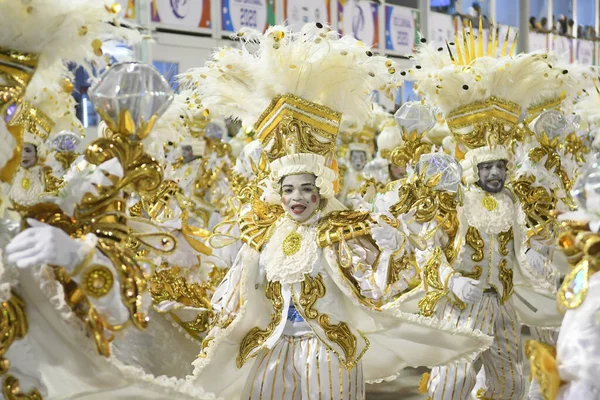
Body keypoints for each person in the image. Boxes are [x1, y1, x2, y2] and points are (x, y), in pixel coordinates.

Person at [180, 23, 493, 399]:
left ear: (322, 191)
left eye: (306, 189)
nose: (297, 198)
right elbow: (237, 293)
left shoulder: (341, 232)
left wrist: (394, 248)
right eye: (289, 190)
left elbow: (382, 286)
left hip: (327, 349)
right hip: (272, 348)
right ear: (277, 193)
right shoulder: (263, 235)